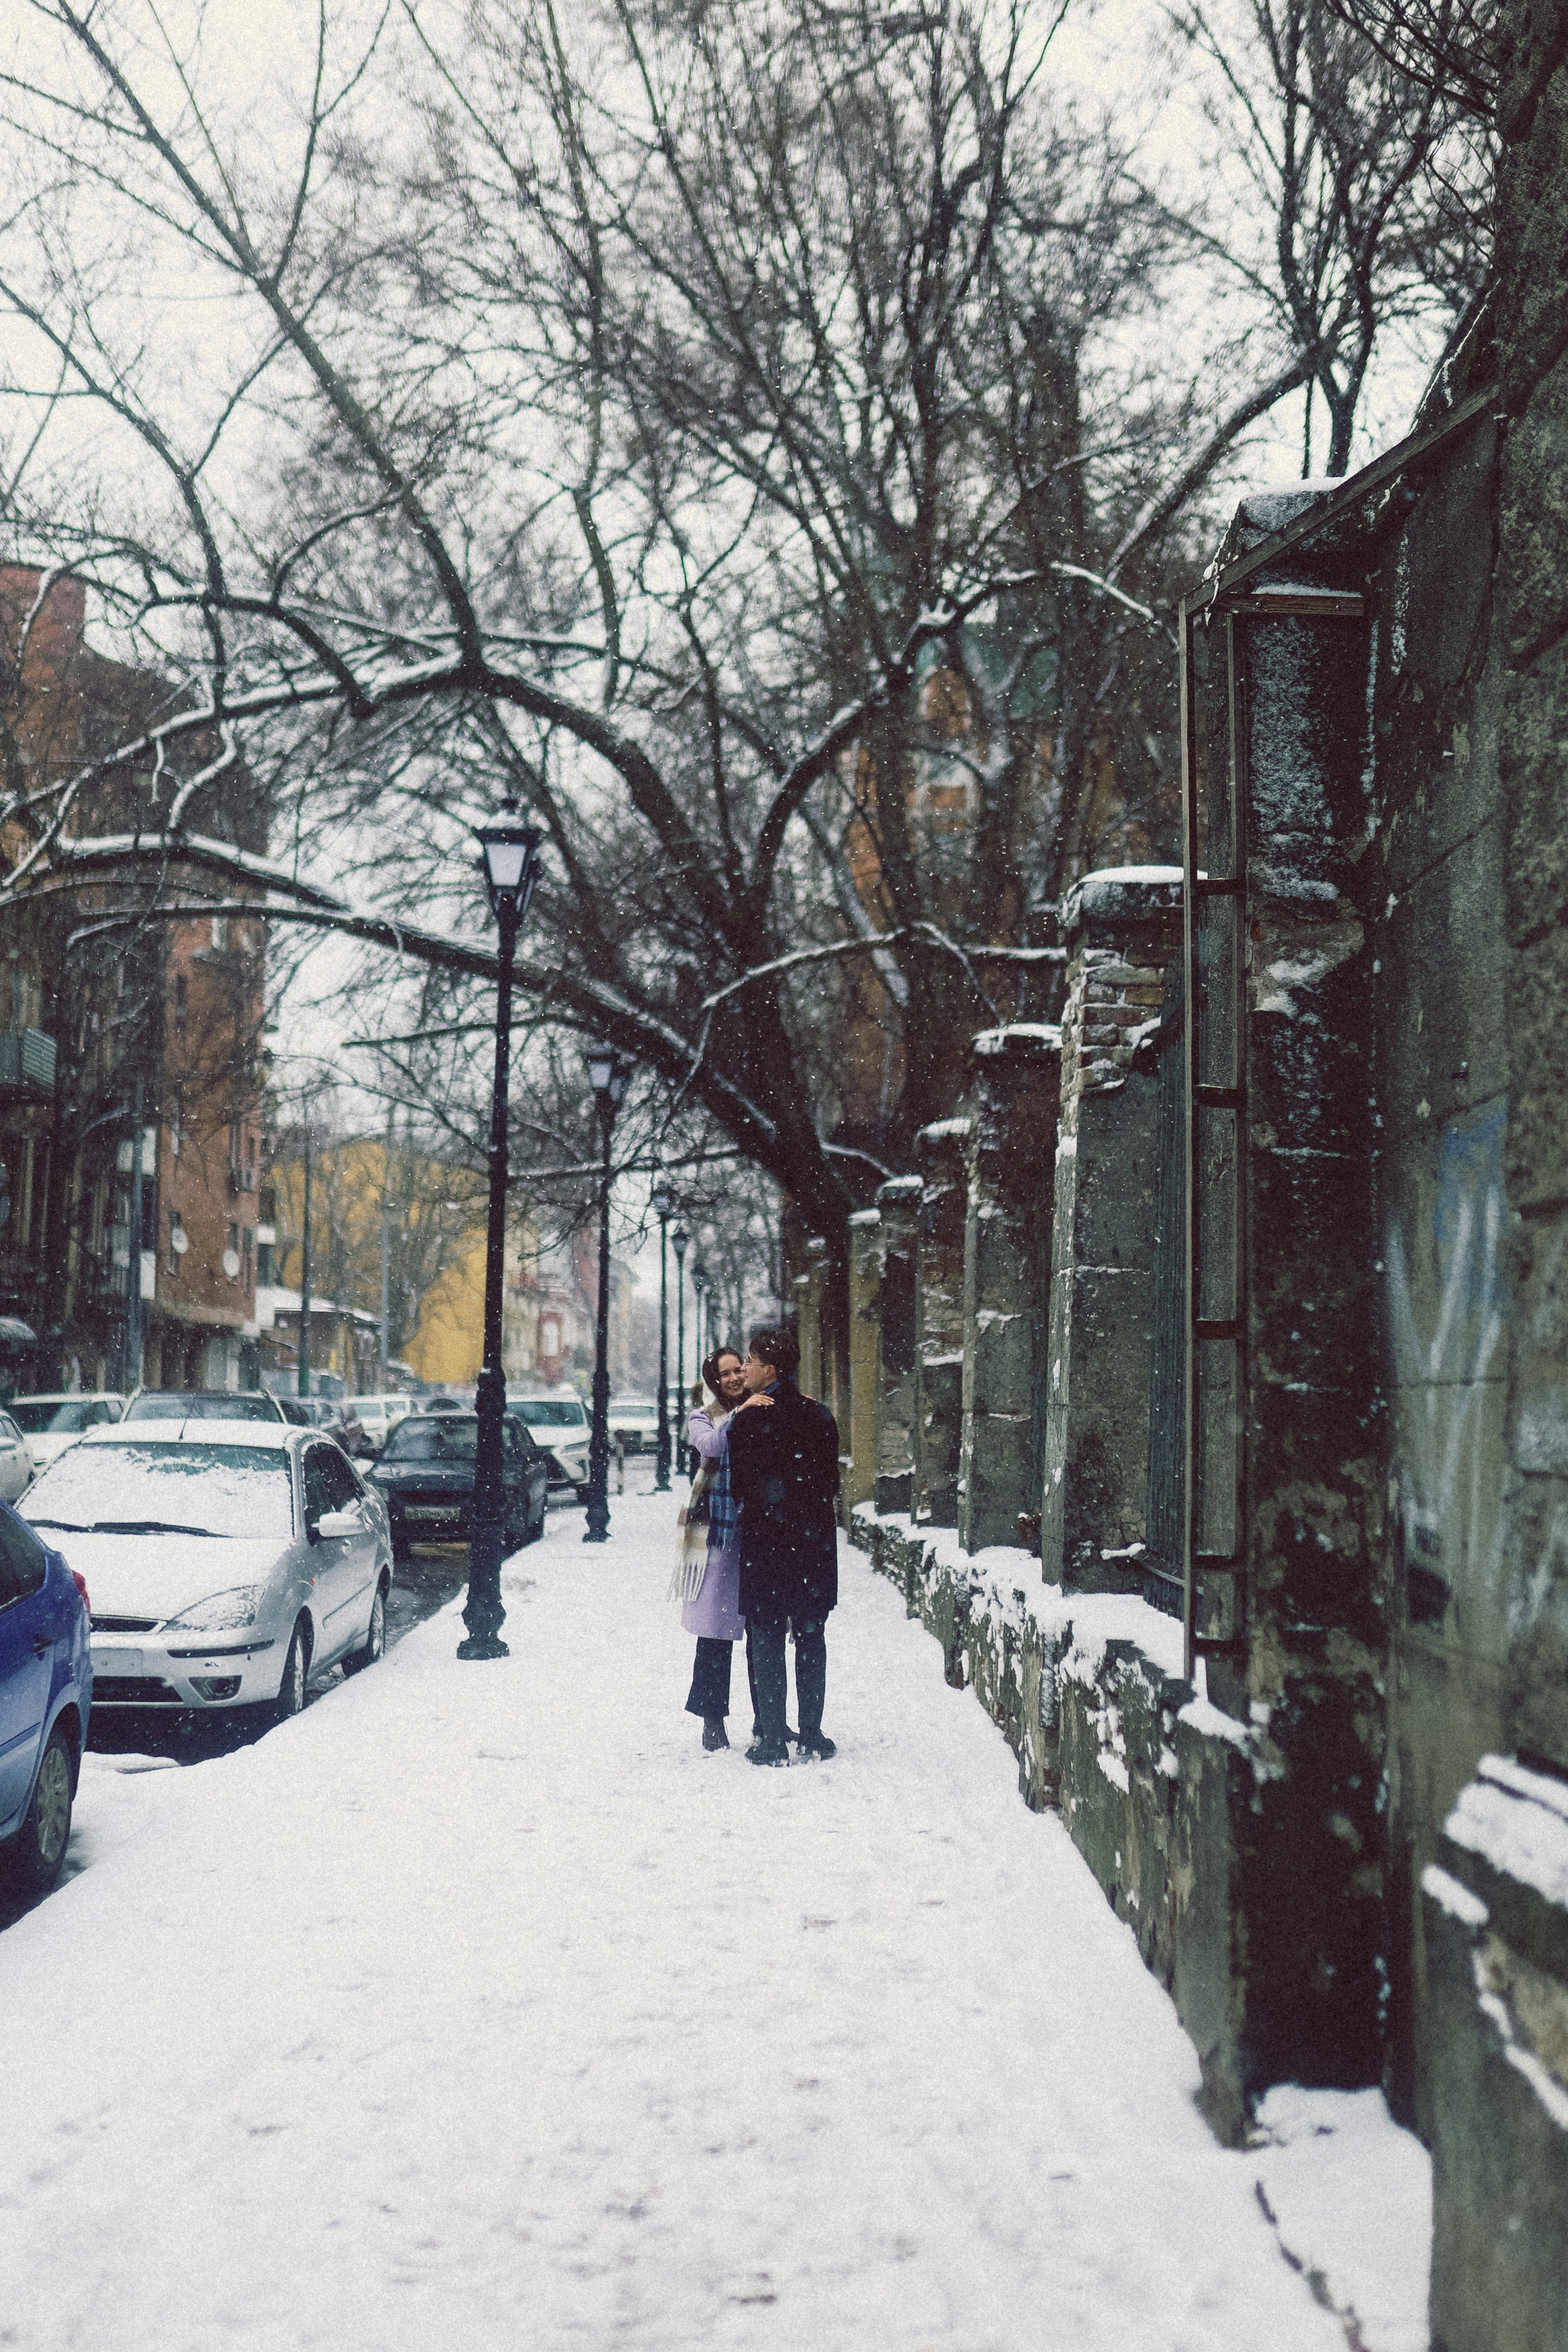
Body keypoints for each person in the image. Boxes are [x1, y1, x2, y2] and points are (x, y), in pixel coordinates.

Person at [726, 1324, 840, 1767]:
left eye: (751, 1362)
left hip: (767, 1545)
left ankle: (772, 1738)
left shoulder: (750, 1420)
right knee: (811, 1636)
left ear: (770, 1368)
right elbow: (829, 1483)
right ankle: (811, 1733)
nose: (746, 1370)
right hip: (812, 1545)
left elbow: (740, 1488)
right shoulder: (819, 1415)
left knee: (768, 1637)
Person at [682, 1348, 753, 1751]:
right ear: (714, 1380)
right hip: (718, 1531)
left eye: (738, 1369)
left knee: (764, 1629)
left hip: (756, 1526)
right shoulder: (703, 1416)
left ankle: (769, 1719)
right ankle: (713, 1720)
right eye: (724, 1373)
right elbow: (711, 1446)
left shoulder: (762, 1404)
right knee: (716, 1629)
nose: (733, 1378)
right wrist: (744, 1414)